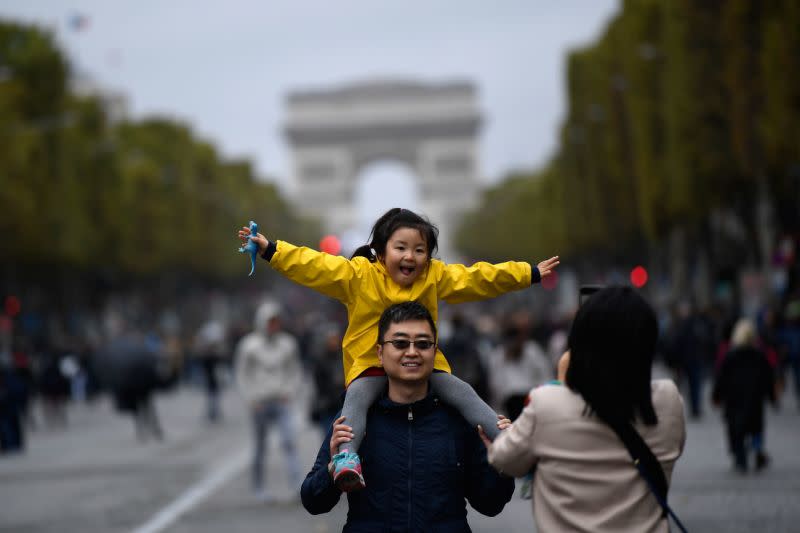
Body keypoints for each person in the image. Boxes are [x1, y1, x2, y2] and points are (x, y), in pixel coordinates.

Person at [238, 207, 559, 491]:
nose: (410, 256)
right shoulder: (358, 275)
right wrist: (272, 250)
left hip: (424, 364)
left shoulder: (435, 275)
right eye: (401, 247)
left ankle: (513, 444)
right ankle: (347, 458)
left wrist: (527, 272)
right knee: (356, 401)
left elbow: (479, 278)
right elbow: (313, 265)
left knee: (464, 393)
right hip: (370, 363)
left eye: (420, 249)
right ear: (378, 251)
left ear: (430, 255)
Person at [486, 286, 686, 533]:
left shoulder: (546, 403)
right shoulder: (669, 399)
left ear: (578, 343)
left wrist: (560, 381)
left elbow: (504, 459)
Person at [301, 301, 515, 532]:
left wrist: (501, 464)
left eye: (423, 344)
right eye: (400, 343)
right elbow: (314, 502)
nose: (412, 352)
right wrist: (332, 469)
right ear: (380, 353)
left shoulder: (460, 419)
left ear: (434, 351)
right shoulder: (354, 418)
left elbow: (490, 505)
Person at [234, 301, 303, 502]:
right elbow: (241, 374)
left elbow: (295, 370)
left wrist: (290, 391)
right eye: (270, 321)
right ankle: (258, 488)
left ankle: (297, 484)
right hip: (260, 403)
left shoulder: (288, 343)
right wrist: (250, 398)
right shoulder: (248, 345)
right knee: (260, 447)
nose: (274, 325)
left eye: (276, 321)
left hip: (281, 400)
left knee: (289, 441)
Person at [712, 318, 777, 473]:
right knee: (756, 428)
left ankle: (741, 459)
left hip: (734, 400)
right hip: (755, 399)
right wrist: (772, 396)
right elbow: (768, 377)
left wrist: (716, 395)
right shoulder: (759, 355)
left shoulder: (730, 356)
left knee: (737, 429)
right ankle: (757, 449)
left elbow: (722, 378)